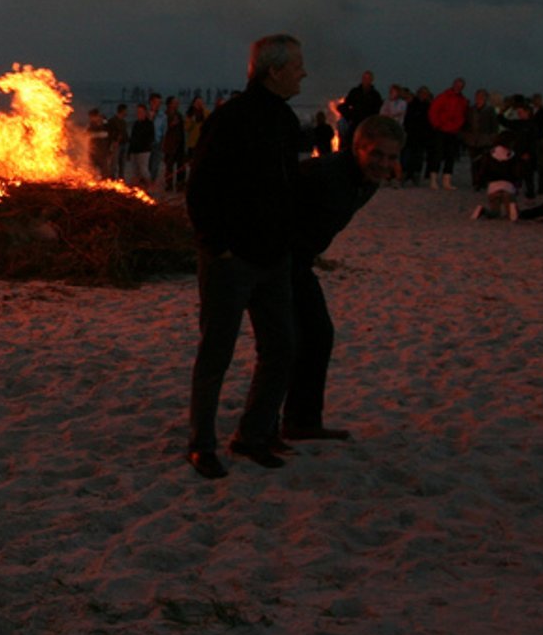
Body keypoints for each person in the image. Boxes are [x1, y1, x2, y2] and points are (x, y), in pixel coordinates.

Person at [183, 33, 308, 479]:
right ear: (273, 70)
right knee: (216, 352)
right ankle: (201, 444)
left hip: (274, 258)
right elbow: (199, 191)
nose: (303, 73)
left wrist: (288, 241)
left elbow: (287, 187)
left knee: (281, 347)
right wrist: (220, 246)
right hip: (231, 261)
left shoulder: (286, 121)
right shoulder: (231, 119)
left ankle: (253, 435)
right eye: (296, 66)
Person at [284, 114, 403, 443]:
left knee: (317, 336)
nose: (383, 163)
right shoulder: (324, 175)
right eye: (376, 154)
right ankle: (269, 427)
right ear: (356, 148)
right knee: (284, 345)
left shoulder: (368, 181)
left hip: (299, 261)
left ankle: (301, 422)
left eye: (391, 157)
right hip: (274, 258)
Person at [468, 136, 523, 221]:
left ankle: (482, 210)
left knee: (495, 212)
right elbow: (517, 172)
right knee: (511, 210)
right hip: (508, 186)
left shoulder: (489, 154)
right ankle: (512, 208)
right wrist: (517, 183)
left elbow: (482, 170)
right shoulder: (512, 155)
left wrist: (480, 182)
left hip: (493, 186)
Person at [428, 79, 469, 189]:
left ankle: (447, 181)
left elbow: (463, 115)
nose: (458, 87)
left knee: (450, 156)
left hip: (453, 131)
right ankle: (433, 180)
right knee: (437, 155)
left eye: (461, 86)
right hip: (441, 130)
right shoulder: (443, 97)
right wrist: (437, 124)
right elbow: (433, 110)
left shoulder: (463, 100)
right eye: (457, 85)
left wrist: (458, 126)